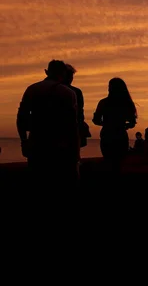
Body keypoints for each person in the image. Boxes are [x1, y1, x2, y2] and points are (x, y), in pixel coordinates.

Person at [16, 59, 80, 189]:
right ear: (63, 73)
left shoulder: (32, 89)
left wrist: (24, 141)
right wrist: (75, 151)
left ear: (47, 71)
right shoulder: (68, 93)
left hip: (36, 143)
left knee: (38, 182)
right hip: (61, 146)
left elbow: (21, 118)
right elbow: (73, 125)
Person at [92, 77, 137, 173]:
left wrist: (106, 123)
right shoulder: (127, 103)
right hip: (121, 135)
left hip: (107, 135)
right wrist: (124, 125)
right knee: (118, 165)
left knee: (108, 162)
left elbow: (96, 120)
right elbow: (132, 123)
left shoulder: (103, 102)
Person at [64, 63, 91, 148]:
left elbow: (80, 111)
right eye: (69, 76)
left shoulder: (77, 91)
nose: (71, 79)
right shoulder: (76, 91)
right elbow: (80, 111)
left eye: (71, 76)